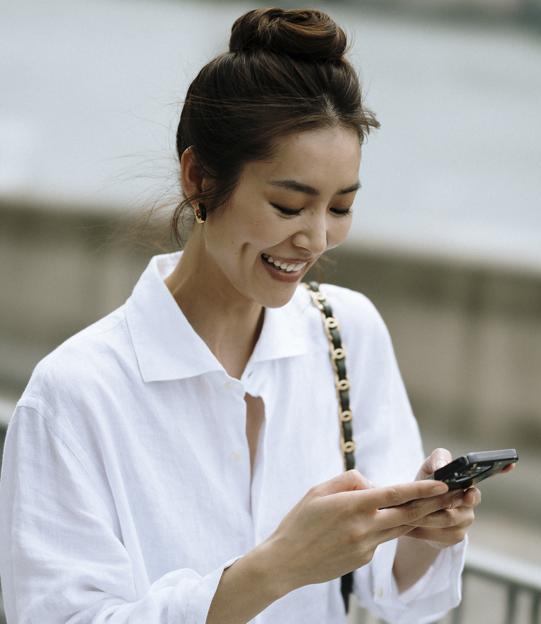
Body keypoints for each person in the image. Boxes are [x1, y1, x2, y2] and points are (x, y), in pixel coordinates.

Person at [0, 7, 485, 624]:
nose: (316, 239)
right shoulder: (74, 395)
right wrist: (277, 566)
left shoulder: (349, 333)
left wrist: (424, 531)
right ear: (199, 177)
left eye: (340, 207)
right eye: (289, 205)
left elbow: (393, 592)